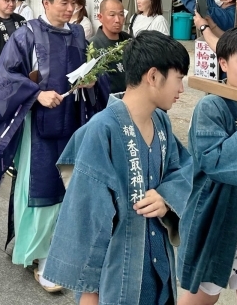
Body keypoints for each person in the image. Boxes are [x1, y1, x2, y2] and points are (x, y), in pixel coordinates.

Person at [0, 0, 108, 293]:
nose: (69, 8)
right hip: (38, 128)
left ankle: (64, 251)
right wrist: (36, 94)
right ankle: (41, 257)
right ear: (46, 2)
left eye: (72, 3)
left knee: (69, 191)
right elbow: (5, 81)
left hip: (73, 123)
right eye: (63, 2)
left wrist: (92, 82)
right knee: (42, 189)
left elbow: (86, 71)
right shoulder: (26, 35)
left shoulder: (78, 32)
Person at [43, 30, 192, 304]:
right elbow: (85, 218)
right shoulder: (102, 130)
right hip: (119, 277)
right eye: (178, 79)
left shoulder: (161, 123)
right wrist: (88, 295)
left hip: (160, 271)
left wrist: (167, 197)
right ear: (153, 76)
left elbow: (184, 168)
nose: (181, 90)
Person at [177, 28, 237, 305]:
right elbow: (215, 162)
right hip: (216, 216)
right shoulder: (212, 106)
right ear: (223, 63)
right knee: (200, 297)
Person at [89, 0, 131, 94]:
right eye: (112, 15)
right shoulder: (92, 45)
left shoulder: (130, 41)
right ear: (100, 17)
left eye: (121, 15)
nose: (117, 20)